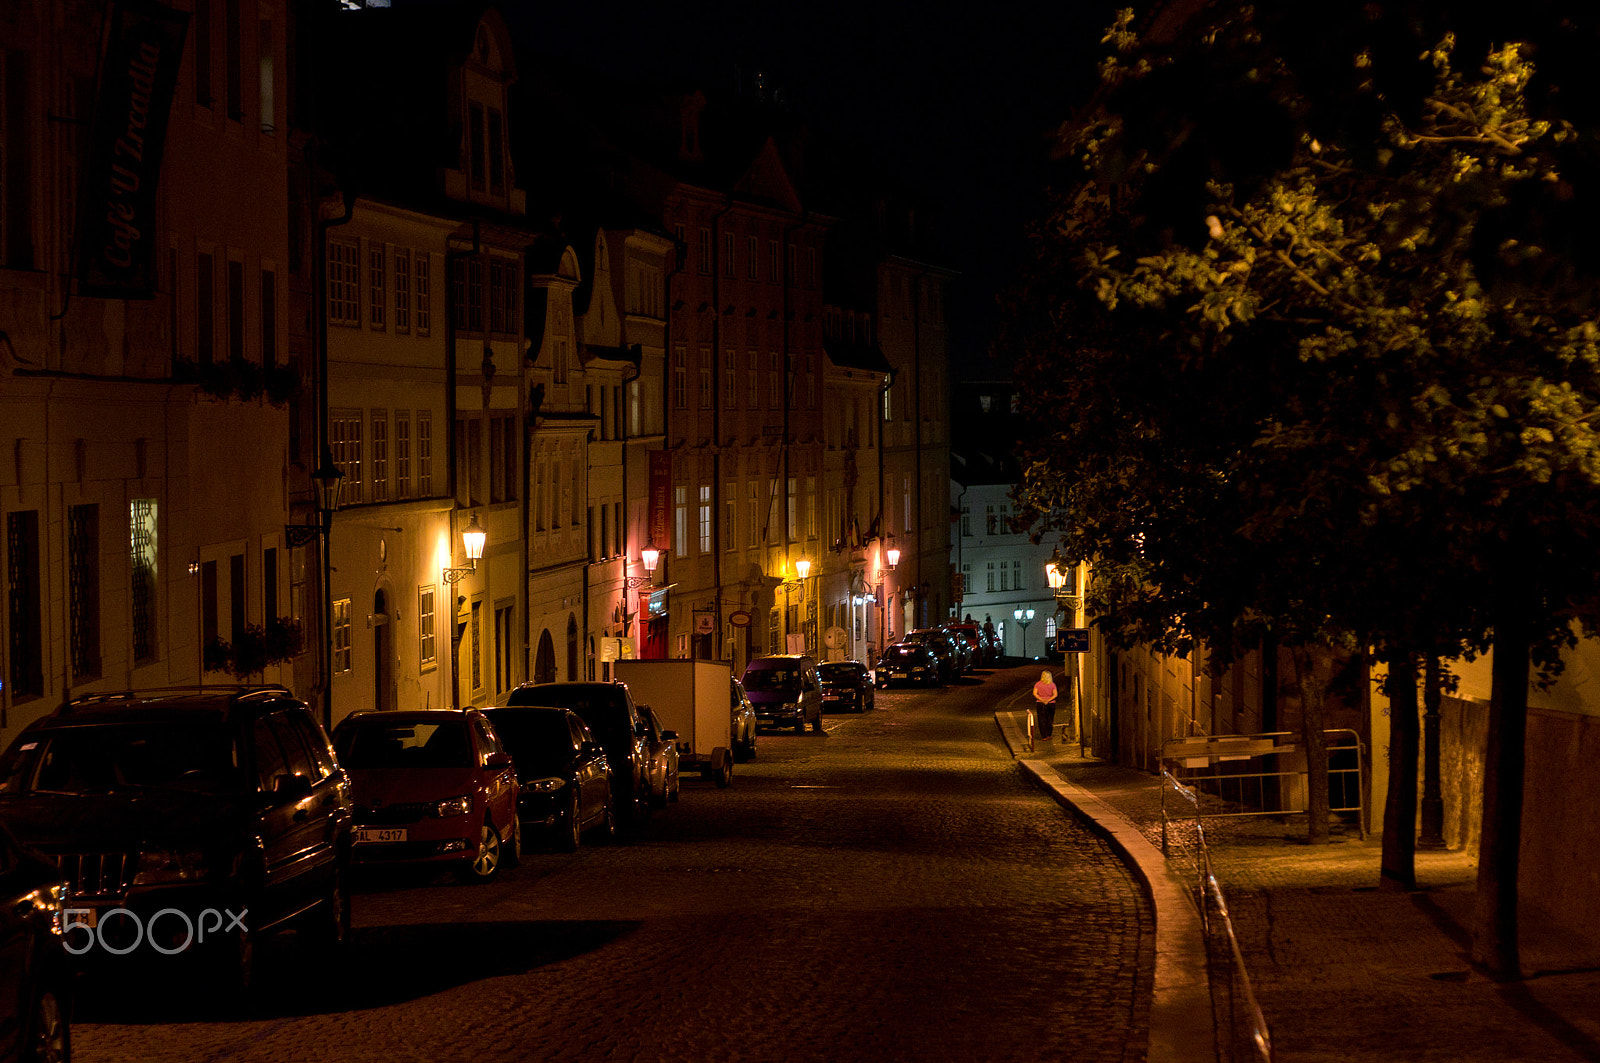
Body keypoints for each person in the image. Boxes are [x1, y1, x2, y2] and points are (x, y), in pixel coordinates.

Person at [1032, 670, 1058, 740]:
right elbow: (1055, 694)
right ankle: (1049, 734)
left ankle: (1044, 736)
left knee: (1041, 719)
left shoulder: (1038, 684)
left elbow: (1035, 693)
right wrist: (1048, 700)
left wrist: (1042, 700)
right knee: (1049, 719)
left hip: (1040, 703)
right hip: (1051, 704)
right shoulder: (1052, 685)